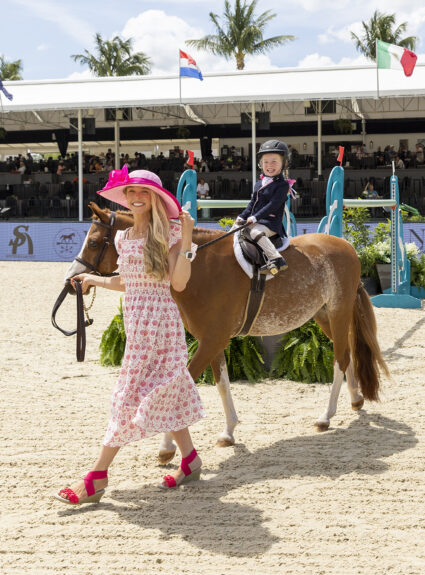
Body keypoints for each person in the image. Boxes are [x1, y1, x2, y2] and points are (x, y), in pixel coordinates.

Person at [54, 167, 205, 505]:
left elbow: (178, 282)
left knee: (128, 396)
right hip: (137, 325)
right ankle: (191, 460)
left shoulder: (170, 235)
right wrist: (94, 280)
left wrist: (188, 239)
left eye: (144, 192)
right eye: (132, 192)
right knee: (167, 393)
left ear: (154, 199)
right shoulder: (123, 239)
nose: (137, 197)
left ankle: (96, 476)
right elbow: (128, 281)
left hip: (161, 324)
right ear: (125, 197)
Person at [234, 139, 290, 274]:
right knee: (235, 231)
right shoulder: (259, 184)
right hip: (256, 220)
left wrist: (255, 217)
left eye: (274, 162)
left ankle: (276, 258)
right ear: (261, 164)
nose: (269, 165)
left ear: (284, 163)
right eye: (265, 162)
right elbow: (252, 203)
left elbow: (273, 205)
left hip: (270, 223)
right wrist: (242, 216)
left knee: (255, 232)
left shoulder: (283, 185)